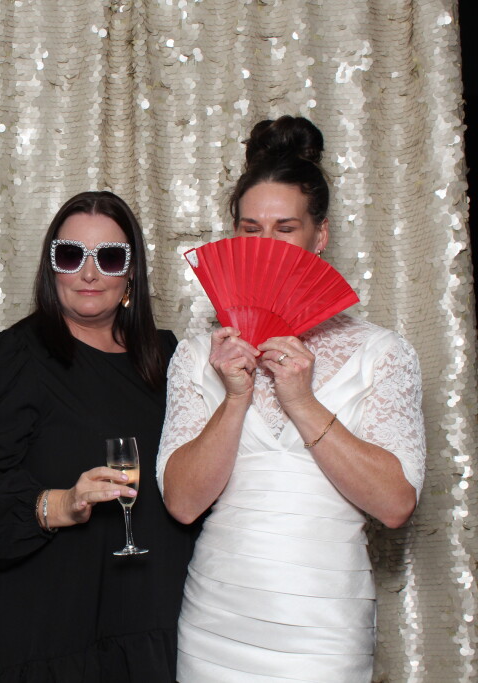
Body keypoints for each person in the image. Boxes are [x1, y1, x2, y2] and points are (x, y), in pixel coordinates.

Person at [156, 116, 426, 682]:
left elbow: (395, 505)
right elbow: (182, 503)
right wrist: (235, 398)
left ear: (319, 236)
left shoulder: (381, 352)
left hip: (325, 625)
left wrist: (302, 401)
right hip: (217, 621)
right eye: (250, 228)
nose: (265, 245)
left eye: (285, 228)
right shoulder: (200, 354)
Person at [0, 191, 199, 682]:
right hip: (46, 632)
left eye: (110, 257)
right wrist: (61, 504)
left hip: (150, 622)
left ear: (131, 273)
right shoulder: (9, 359)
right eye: (71, 254)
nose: (89, 272)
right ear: (51, 266)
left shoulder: (169, 358)